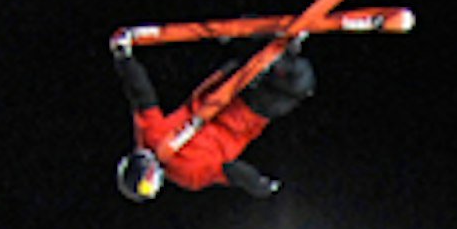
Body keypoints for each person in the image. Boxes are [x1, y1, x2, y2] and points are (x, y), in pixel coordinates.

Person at [109, 30, 317, 201]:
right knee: (301, 83)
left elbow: (141, 94)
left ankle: (267, 49)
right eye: (150, 193)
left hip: (226, 95)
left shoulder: (151, 137)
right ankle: (283, 54)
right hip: (248, 116)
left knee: (292, 77)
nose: (154, 187)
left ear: (139, 169)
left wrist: (124, 59)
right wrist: (257, 183)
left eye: (147, 187)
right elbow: (227, 172)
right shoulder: (187, 177)